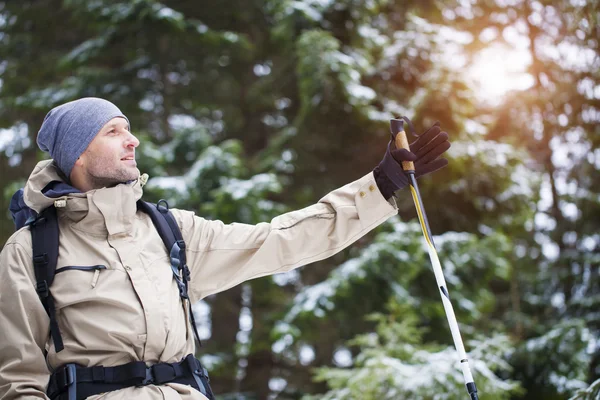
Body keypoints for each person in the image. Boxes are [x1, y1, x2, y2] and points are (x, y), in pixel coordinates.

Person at [0, 98, 450, 399]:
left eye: (129, 129)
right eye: (115, 131)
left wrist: (380, 184)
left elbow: (280, 240)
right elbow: (19, 382)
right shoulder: (30, 250)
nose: (132, 140)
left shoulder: (169, 231)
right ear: (78, 153)